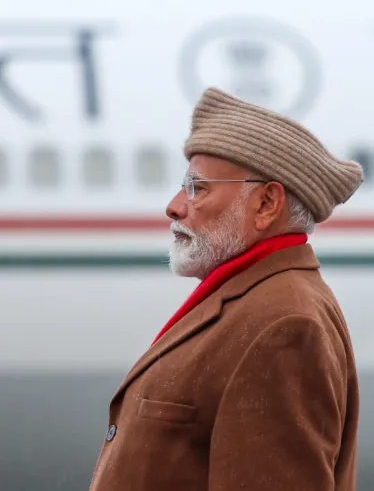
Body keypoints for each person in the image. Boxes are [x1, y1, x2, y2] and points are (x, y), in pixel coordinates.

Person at [87, 87, 363, 491]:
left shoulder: (283, 326)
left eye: (198, 188)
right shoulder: (255, 302)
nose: (175, 205)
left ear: (267, 204)